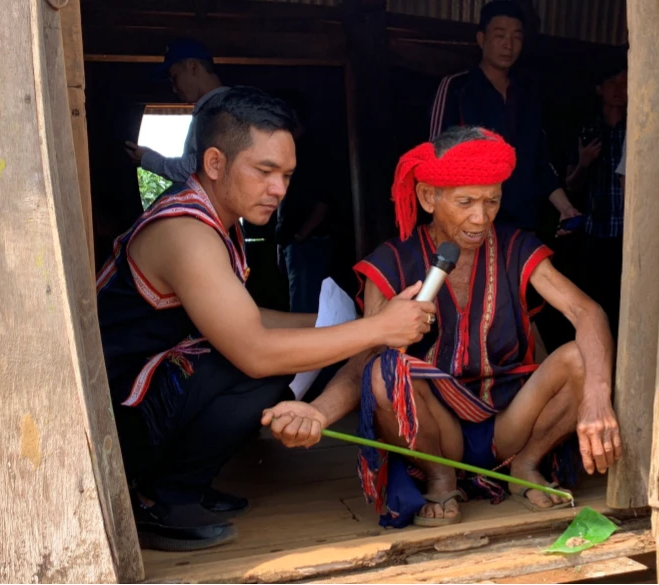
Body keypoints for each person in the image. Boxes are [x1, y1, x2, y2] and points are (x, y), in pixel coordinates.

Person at [97, 87, 436, 551]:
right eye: (264, 171)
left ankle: (183, 485)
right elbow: (253, 350)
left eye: (287, 175)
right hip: (110, 420)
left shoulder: (218, 217)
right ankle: (162, 497)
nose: (279, 189)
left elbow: (245, 316)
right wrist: (378, 328)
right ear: (215, 163)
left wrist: (344, 320)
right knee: (257, 370)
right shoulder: (186, 232)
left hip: (143, 394)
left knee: (266, 355)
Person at [263, 127, 622, 529]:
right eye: (465, 201)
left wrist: (597, 400)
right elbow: (363, 358)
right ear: (428, 197)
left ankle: (525, 465)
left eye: (492, 201)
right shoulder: (392, 261)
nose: (480, 217)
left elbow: (586, 312)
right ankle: (440, 477)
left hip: (512, 422)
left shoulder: (515, 247)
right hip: (435, 434)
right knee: (384, 374)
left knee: (580, 358)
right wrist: (316, 413)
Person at [428, 0, 580, 234]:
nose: (508, 45)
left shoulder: (527, 95)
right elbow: (435, 156)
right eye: (500, 35)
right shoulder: (457, 88)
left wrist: (566, 207)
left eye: (516, 37)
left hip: (523, 224)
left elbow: (540, 159)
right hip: (472, 223)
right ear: (481, 39)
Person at [566, 62, 627, 339]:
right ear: (599, 89)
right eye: (612, 82)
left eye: (625, 82)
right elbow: (570, 186)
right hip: (593, 234)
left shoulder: (640, 127)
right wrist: (584, 163)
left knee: (623, 305)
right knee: (592, 307)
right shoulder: (586, 130)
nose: (620, 89)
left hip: (627, 236)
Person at [124, 39, 229, 184]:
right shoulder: (217, 107)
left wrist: (147, 159)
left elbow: (198, 170)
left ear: (193, 67)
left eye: (175, 78)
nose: (174, 88)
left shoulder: (221, 110)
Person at [274, 91, 336, 313]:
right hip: (297, 242)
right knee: (301, 301)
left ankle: (307, 347)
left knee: (305, 306)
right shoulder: (289, 152)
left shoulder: (312, 152)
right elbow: (283, 204)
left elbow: (323, 201)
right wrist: (283, 244)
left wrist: (300, 236)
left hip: (310, 242)